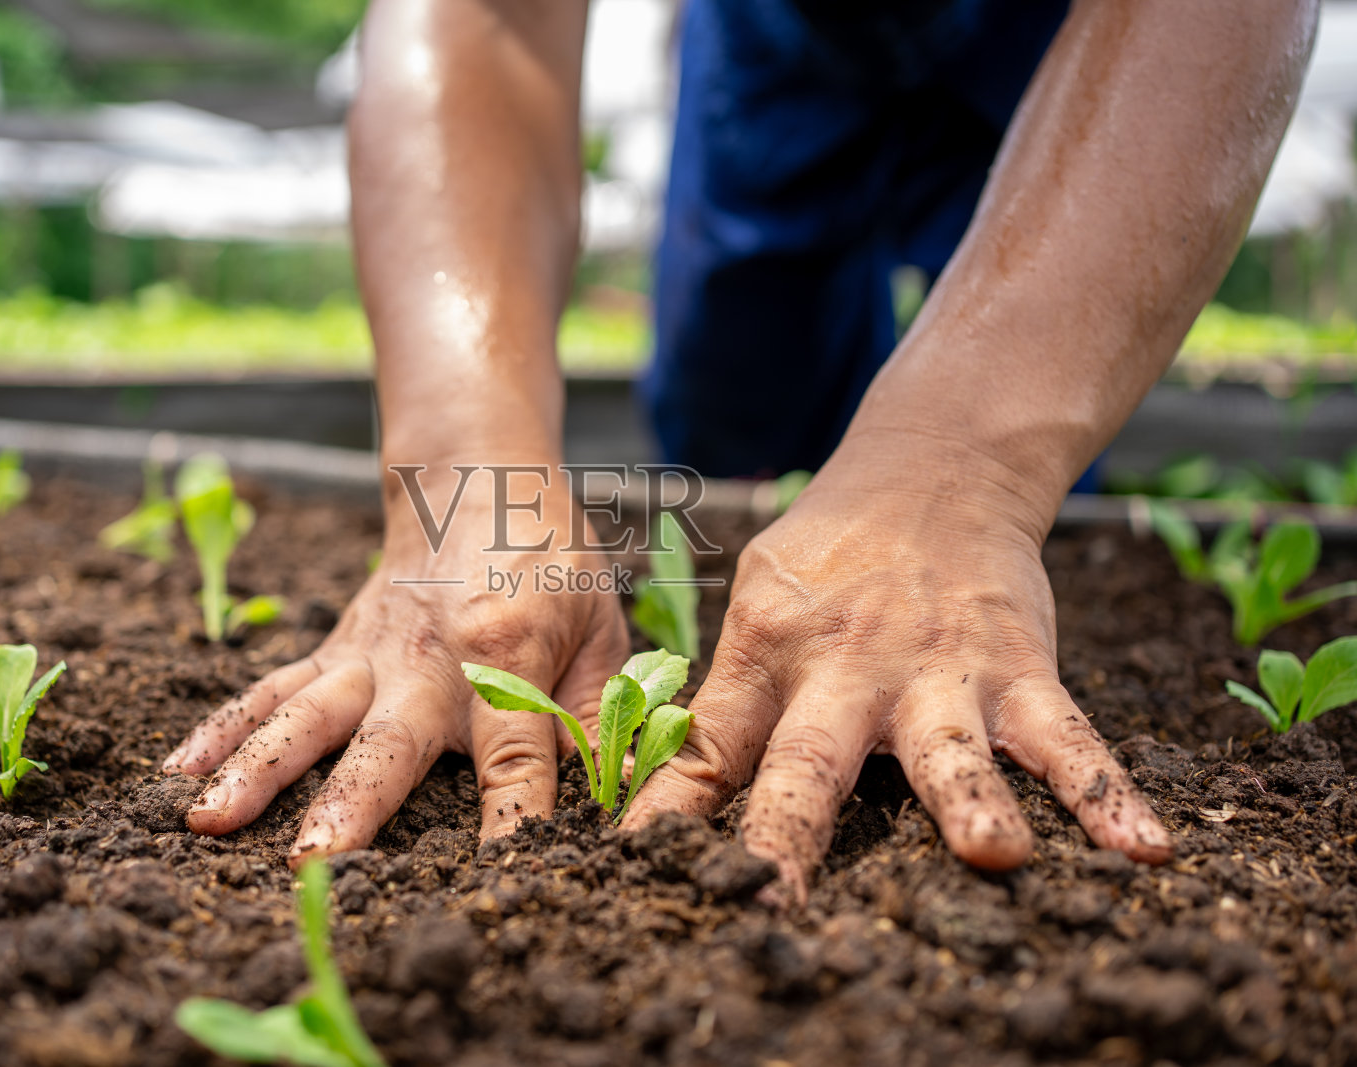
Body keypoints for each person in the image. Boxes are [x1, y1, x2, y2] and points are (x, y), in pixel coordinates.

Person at [162, 0, 1317, 900]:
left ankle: (974, 591)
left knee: (978, 490)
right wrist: (465, 477)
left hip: (1085, 34)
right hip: (781, 24)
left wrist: (959, 470)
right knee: (734, 404)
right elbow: (491, 26)